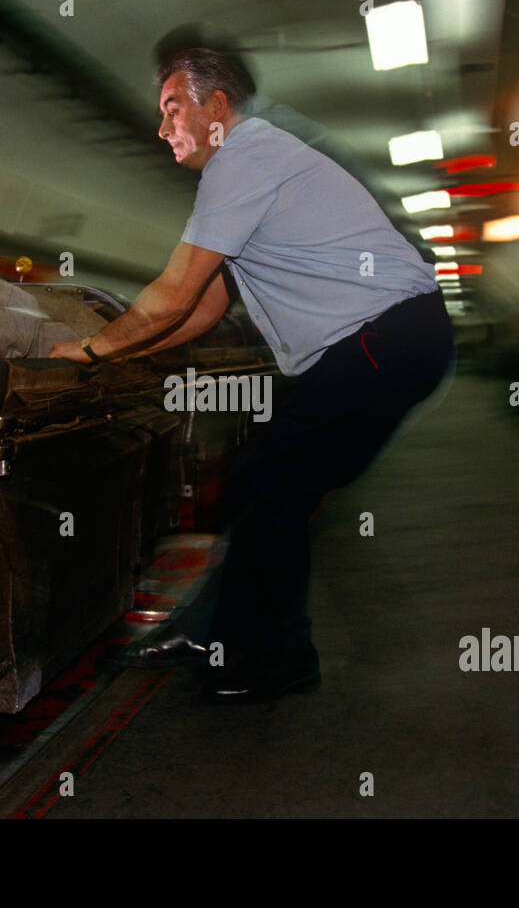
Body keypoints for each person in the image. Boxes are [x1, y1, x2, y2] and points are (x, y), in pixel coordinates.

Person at [48, 48, 455, 703]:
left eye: (171, 108)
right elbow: (205, 307)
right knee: (259, 479)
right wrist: (123, 356)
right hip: (388, 346)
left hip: (388, 338)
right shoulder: (256, 173)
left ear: (217, 107)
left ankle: (274, 655)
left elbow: (175, 294)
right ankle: (222, 632)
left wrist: (93, 351)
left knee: (275, 481)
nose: (162, 129)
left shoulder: (245, 157)